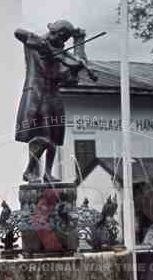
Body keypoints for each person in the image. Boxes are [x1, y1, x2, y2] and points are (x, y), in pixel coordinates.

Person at [15, 20, 97, 183]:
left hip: (53, 94)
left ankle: (47, 172)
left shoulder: (60, 53)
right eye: (61, 38)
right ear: (54, 33)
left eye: (65, 40)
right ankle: (29, 170)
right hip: (38, 93)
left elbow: (66, 77)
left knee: (55, 137)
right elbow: (19, 32)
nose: (62, 43)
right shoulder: (36, 44)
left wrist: (77, 63)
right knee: (44, 136)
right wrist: (46, 47)